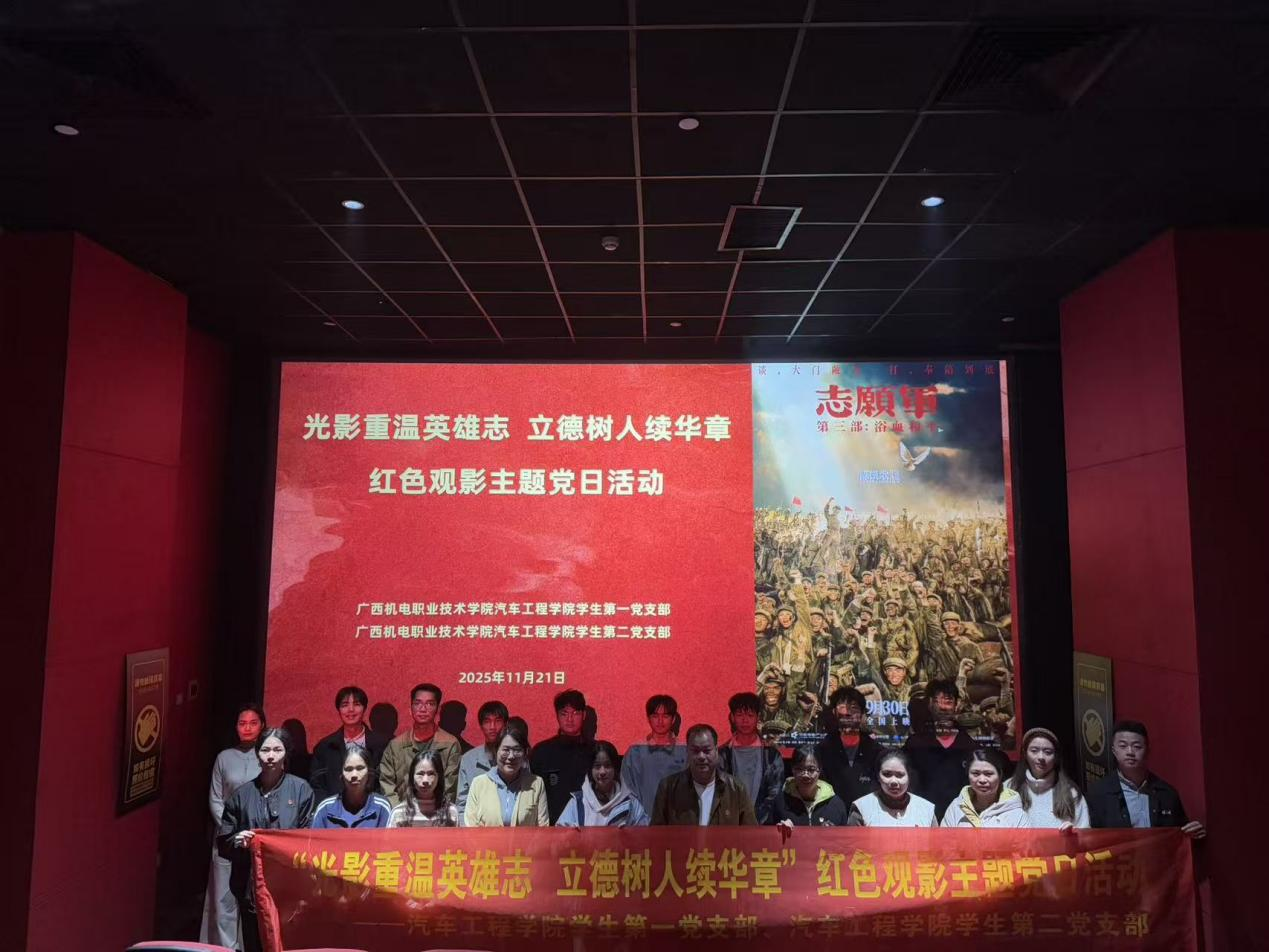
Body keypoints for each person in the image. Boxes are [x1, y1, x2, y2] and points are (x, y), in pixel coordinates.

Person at [217, 727, 315, 952]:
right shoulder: (242, 795)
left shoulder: (301, 790)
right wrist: (237, 841)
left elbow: (308, 838)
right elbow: (224, 841)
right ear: (257, 754)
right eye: (265, 750)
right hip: (250, 887)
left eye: (277, 750)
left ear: (286, 754)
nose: (271, 756)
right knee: (254, 943)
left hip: (289, 889)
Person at [200, 702, 264, 949]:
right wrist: (230, 829)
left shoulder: (267, 755)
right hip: (226, 838)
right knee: (223, 897)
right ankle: (225, 947)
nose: (247, 728)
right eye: (242, 723)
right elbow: (215, 799)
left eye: (253, 723)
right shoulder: (224, 758)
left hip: (257, 837)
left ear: (262, 726)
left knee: (253, 896)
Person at [1087, 720, 1206, 837]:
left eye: (1137, 746)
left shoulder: (1167, 793)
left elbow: (1179, 835)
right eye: (1123, 746)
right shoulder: (1098, 793)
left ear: (1148, 750)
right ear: (1114, 750)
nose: (1130, 752)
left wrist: (1192, 833)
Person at [650, 724, 758, 826]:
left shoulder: (736, 789)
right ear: (687, 752)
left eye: (707, 751)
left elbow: (750, 834)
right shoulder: (668, 788)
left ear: (716, 751)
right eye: (695, 751)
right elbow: (656, 834)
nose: (701, 756)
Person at [903, 679, 979, 819]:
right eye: (938, 701)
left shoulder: (969, 745)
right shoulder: (915, 744)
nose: (943, 707)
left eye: (948, 701)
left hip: (960, 818)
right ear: (930, 704)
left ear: (957, 705)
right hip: (922, 817)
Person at [378, 682, 463, 806]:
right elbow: (387, 786)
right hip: (402, 812)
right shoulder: (395, 746)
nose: (423, 709)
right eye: (417, 703)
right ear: (410, 708)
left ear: (437, 710)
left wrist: (431, 812)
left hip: (438, 813)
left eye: (430, 704)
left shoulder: (450, 744)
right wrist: (401, 812)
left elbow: (450, 788)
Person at [309, 686, 390, 801]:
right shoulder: (325, 747)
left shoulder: (381, 745)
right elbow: (317, 786)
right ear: (338, 710)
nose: (351, 709)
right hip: (333, 808)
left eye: (356, 704)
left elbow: (385, 783)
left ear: (364, 708)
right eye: (345, 705)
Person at [529, 689, 595, 823]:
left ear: (584, 715)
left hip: (590, 825)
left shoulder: (595, 751)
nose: (569, 719)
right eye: (564, 714)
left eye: (575, 713)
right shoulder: (541, 752)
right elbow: (533, 795)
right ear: (557, 716)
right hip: (551, 827)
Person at [718, 692, 785, 824]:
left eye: (750, 715)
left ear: (758, 717)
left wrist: (756, 819)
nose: (745, 720)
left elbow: (775, 792)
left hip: (763, 824)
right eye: (739, 715)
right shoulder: (723, 754)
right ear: (732, 717)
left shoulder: (771, 755)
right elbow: (718, 792)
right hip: (730, 824)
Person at [465, 723, 549, 827]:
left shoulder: (536, 784)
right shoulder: (478, 784)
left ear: (525, 753)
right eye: (506, 750)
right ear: (496, 751)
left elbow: (543, 827)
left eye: (517, 750)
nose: (511, 756)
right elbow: (470, 828)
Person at [815, 686, 885, 808]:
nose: (847, 713)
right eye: (842, 707)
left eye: (853, 708)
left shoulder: (877, 751)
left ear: (862, 713)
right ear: (834, 712)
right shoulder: (821, 751)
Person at [1007, 727, 1089, 830]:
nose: (1041, 757)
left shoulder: (1071, 793)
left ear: (1056, 757)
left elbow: (1085, 833)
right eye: (1034, 751)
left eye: (1048, 752)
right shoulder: (1009, 787)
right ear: (1025, 753)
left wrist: (1075, 833)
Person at [557, 740, 650, 827]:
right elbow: (561, 833)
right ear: (590, 770)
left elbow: (645, 834)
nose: (602, 772)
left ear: (615, 768)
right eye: (597, 766)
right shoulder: (578, 803)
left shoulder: (631, 803)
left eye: (607, 766)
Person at [621, 694, 687, 814]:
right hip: (643, 818)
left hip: (678, 817)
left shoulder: (685, 751)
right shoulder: (635, 751)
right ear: (648, 718)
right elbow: (627, 788)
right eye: (655, 716)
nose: (660, 721)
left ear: (673, 719)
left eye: (665, 716)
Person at [941, 748, 1028, 828]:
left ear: (1000, 775)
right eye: (975, 773)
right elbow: (944, 838)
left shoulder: (1015, 813)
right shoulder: (956, 807)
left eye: (988, 774)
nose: (982, 780)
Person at [847, 750, 937, 827]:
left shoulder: (926, 810)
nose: (893, 781)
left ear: (909, 777)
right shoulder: (862, 808)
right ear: (878, 777)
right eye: (887, 774)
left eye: (900, 775)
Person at [311, 745, 392, 829]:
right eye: (348, 769)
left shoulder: (382, 807)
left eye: (360, 768)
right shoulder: (325, 808)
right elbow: (313, 837)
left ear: (369, 772)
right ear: (341, 774)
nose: (354, 775)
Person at [456, 700, 507, 824]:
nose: (492, 727)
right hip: (476, 829)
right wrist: (467, 831)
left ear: (505, 724)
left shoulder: (517, 758)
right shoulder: (468, 759)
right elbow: (462, 804)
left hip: (510, 828)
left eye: (498, 721)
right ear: (481, 725)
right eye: (487, 721)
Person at [773, 747, 849, 828]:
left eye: (811, 770)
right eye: (799, 769)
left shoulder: (835, 804)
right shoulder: (780, 803)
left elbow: (844, 835)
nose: (805, 775)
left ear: (819, 770)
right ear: (792, 769)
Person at [389, 749, 459, 827]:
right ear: (412, 776)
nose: (425, 780)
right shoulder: (399, 813)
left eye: (431, 774)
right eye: (420, 774)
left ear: (439, 777)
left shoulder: (451, 812)